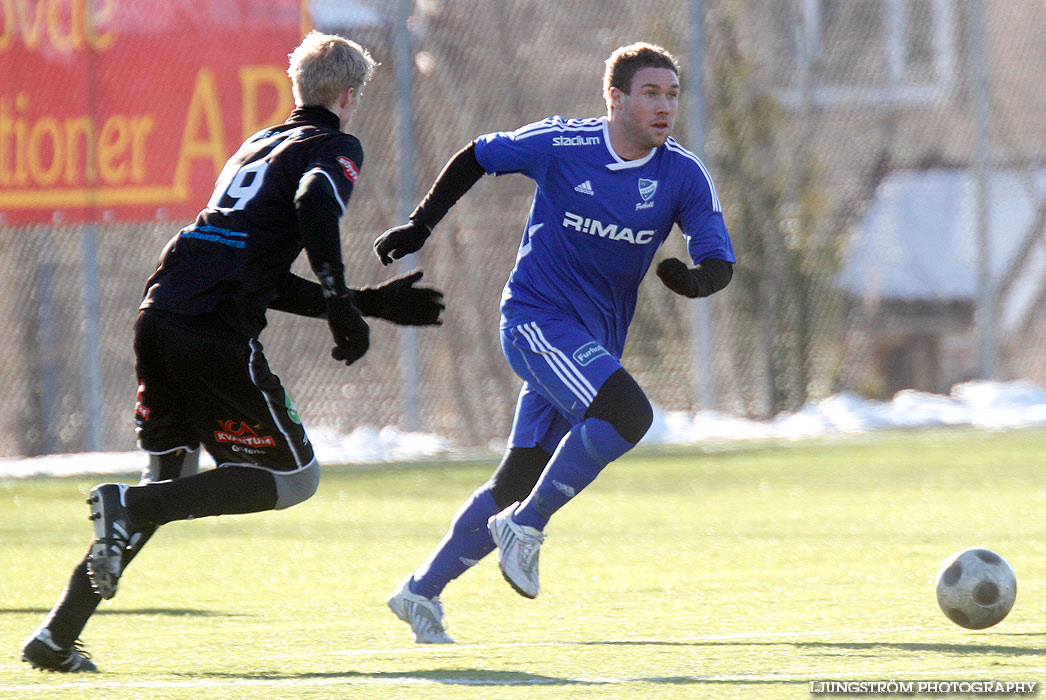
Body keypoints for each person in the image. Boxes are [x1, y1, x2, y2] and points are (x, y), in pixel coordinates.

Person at [21, 31, 445, 672]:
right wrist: (338, 304)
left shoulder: (256, 145)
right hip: (213, 332)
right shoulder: (335, 145)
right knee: (293, 476)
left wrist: (364, 302)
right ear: (350, 94)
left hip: (160, 312)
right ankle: (125, 508)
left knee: (167, 483)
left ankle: (55, 637)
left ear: (296, 86)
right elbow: (314, 204)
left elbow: (261, 273)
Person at [374, 41, 735, 644]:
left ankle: (420, 592)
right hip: (535, 322)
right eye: (650, 92)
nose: (665, 106)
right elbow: (478, 155)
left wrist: (693, 281)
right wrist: (421, 223)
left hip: (590, 346)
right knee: (627, 413)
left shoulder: (683, 174)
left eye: (672, 94)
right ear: (614, 98)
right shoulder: (564, 145)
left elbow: (719, 260)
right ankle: (527, 528)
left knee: (516, 478)